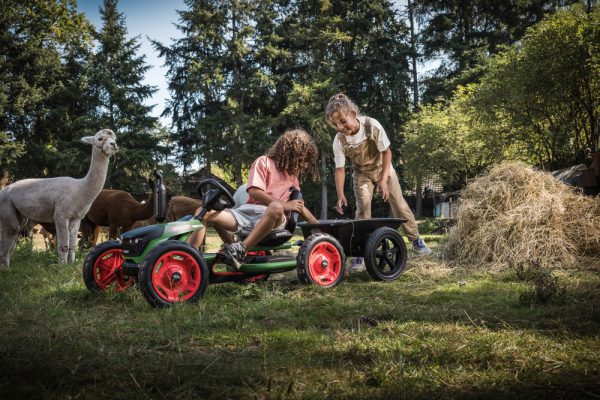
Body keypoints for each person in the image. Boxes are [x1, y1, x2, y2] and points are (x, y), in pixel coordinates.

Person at [188, 129, 320, 268]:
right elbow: (254, 192)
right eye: (301, 159)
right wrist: (285, 205)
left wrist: (318, 227)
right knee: (204, 212)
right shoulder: (264, 162)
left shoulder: (293, 178)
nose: (303, 164)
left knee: (275, 207)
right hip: (248, 213)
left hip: (275, 219)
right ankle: (189, 259)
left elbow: (299, 206)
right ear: (291, 152)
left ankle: (240, 250)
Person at [326, 93, 431, 255]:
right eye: (336, 125)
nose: (340, 127)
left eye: (343, 121)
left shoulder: (371, 125)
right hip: (361, 173)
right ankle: (362, 252)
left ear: (353, 114)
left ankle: (417, 241)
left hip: (383, 167)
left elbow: (387, 152)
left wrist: (383, 180)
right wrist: (340, 194)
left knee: (399, 204)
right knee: (363, 210)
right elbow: (340, 170)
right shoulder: (339, 140)